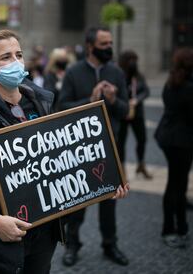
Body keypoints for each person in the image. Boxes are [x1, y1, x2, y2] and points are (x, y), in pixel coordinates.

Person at [0, 29, 130, 274]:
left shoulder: (42, 105)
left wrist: (105, 182)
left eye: (18, 55)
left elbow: (62, 163)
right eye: (5, 57)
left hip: (42, 236)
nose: (16, 62)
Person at [58, 26, 129, 267]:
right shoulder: (73, 72)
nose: (109, 48)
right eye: (104, 44)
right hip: (80, 151)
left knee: (110, 201)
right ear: (90, 46)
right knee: (77, 204)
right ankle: (73, 245)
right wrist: (89, 101)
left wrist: (112, 100)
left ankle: (110, 244)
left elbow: (126, 110)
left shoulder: (117, 72)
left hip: (110, 148)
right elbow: (61, 108)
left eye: (110, 43)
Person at [154, 48, 193, 248]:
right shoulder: (190, 87)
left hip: (168, 137)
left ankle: (181, 226)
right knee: (176, 185)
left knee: (177, 184)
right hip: (180, 141)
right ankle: (169, 229)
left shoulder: (171, 81)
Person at [117, 50, 152, 179]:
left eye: (135, 60)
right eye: (130, 60)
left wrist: (137, 100)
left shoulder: (138, 76)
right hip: (123, 113)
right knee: (121, 142)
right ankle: (122, 169)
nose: (133, 63)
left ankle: (141, 164)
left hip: (137, 113)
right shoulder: (119, 76)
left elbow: (146, 91)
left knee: (142, 139)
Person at [43, 48, 69, 112]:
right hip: (56, 110)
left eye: (65, 58)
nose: (64, 61)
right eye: (61, 59)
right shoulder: (49, 75)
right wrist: (58, 86)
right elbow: (48, 95)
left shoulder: (69, 72)